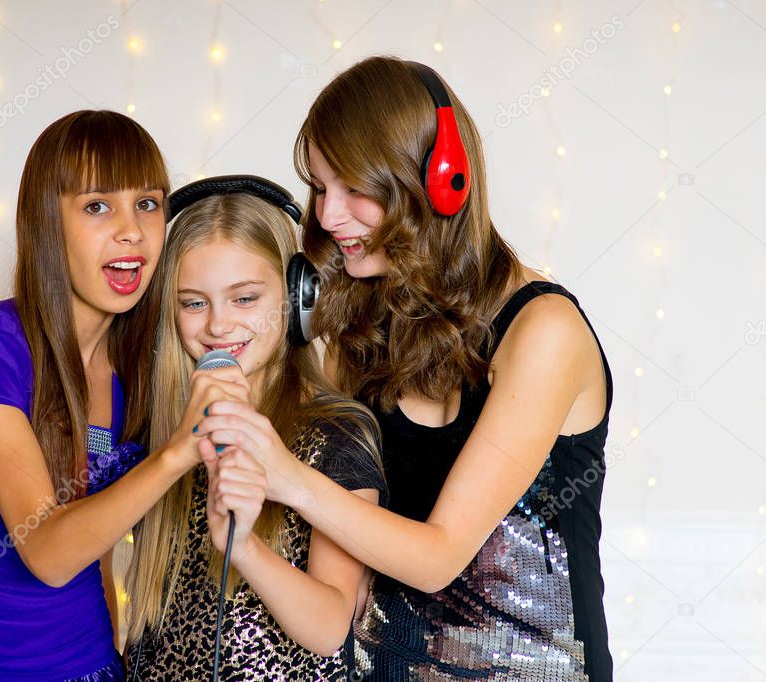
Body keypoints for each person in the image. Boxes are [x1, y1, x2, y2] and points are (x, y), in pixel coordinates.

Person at [203, 58, 614, 680]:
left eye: (354, 190)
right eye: (319, 188)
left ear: (440, 180)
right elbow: (346, 524)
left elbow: (437, 558)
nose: (328, 217)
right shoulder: (361, 320)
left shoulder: (543, 332)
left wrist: (285, 477)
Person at [0, 111, 247, 681]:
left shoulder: (137, 371)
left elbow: (99, 549)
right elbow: (45, 551)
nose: (131, 230)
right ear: (48, 224)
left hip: (84, 666)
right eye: (97, 206)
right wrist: (176, 453)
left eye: (147, 203)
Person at [124, 177, 387, 681]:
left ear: (296, 300)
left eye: (244, 299)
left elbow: (332, 625)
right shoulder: (160, 429)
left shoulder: (336, 431)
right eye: (193, 303)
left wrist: (243, 549)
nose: (219, 326)